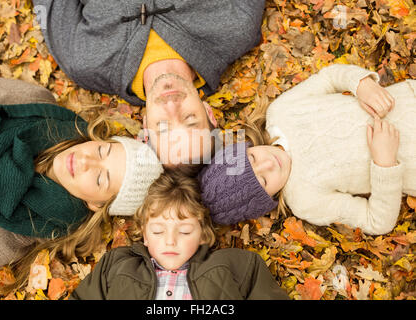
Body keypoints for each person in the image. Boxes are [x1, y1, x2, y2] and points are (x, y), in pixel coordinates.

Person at [0, 72, 163, 276]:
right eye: (102, 151)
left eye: (100, 178)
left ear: (96, 204)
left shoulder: (4, 238)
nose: (86, 161)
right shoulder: (34, 101)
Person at [33, 0, 265, 165]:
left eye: (163, 127)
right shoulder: (236, 29)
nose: (172, 106)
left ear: (145, 129)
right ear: (208, 113)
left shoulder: (84, 62)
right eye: (190, 120)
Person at [198, 64, 416, 235]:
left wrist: (361, 85)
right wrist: (384, 163)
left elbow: (328, 78)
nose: (269, 163)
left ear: (247, 147)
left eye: (253, 158)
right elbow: (376, 221)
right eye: (263, 181)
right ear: (267, 200)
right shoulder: (305, 200)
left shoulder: (282, 112)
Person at [69, 170, 290, 300]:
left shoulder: (235, 265)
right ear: (145, 235)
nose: (170, 240)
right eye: (158, 231)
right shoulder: (117, 265)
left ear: (203, 235)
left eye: (184, 231)